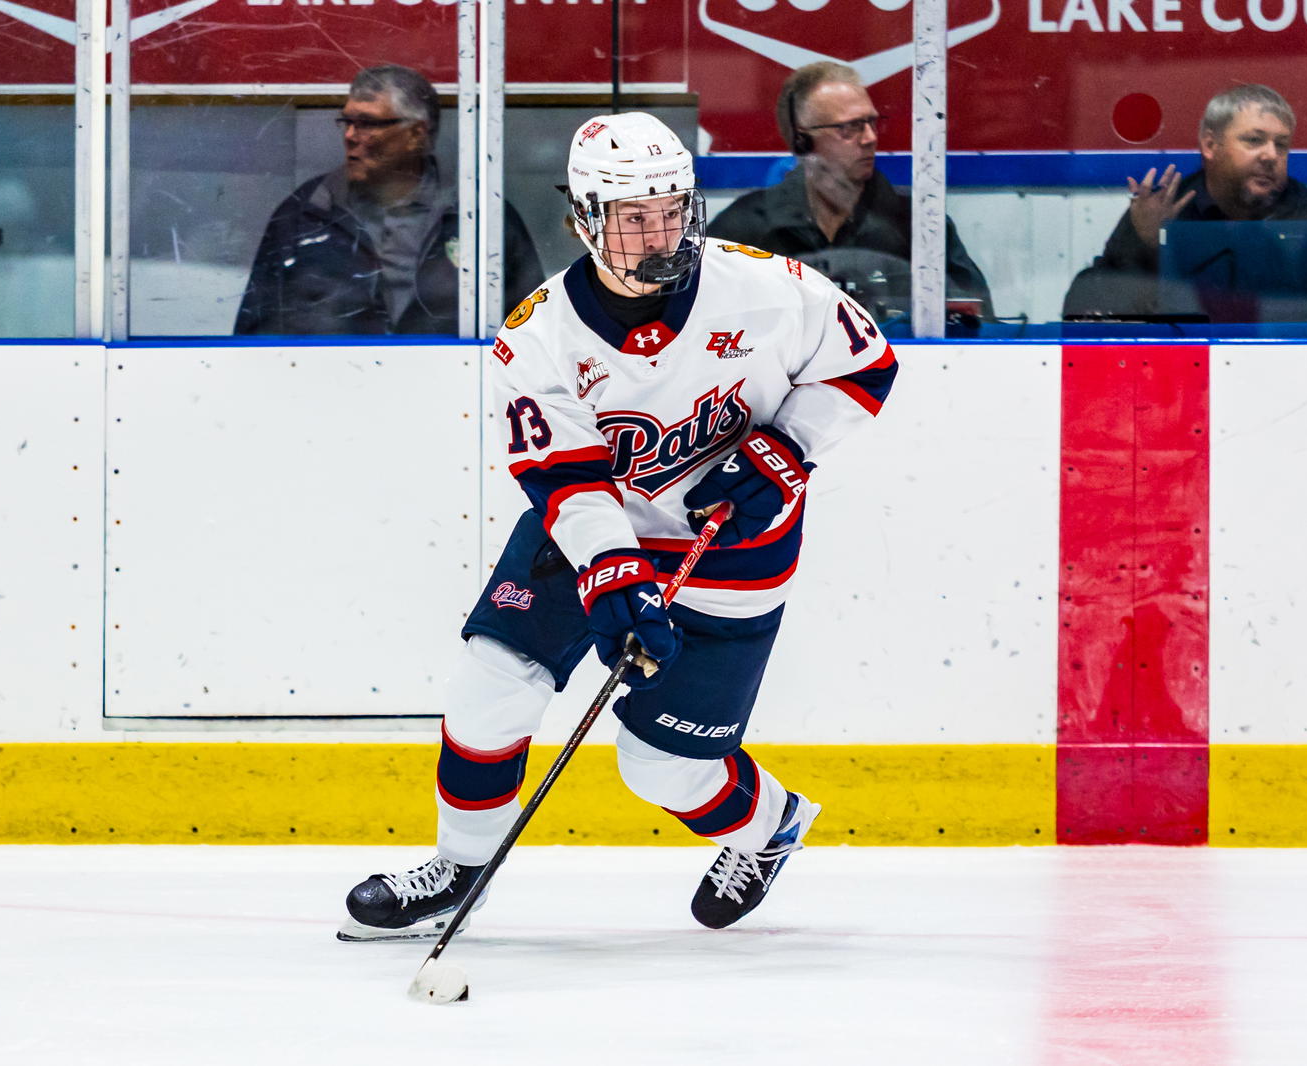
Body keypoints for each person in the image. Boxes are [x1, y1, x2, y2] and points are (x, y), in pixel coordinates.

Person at [338, 112, 897, 939]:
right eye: (634, 217)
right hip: (589, 534)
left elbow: (865, 364)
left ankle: (770, 825)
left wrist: (784, 452)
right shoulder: (538, 337)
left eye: (672, 209)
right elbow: (567, 479)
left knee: (664, 769)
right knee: (491, 683)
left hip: (736, 551)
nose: (659, 232)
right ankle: (461, 868)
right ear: (585, 221)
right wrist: (612, 573)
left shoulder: (771, 289)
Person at [235, 65, 543, 335]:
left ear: (416, 135)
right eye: (347, 121)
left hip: (453, 394)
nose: (351, 135)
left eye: (367, 123)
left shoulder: (478, 217)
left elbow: (534, 329)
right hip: (326, 391)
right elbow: (252, 335)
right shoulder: (304, 213)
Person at [708, 61, 994, 328]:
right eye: (850, 128)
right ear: (802, 139)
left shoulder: (920, 225)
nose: (870, 138)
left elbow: (979, 325)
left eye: (871, 122)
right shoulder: (742, 228)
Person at [1063, 84, 1307, 322]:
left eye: (1281, 145)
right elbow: (1091, 311)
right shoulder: (1164, 209)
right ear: (1210, 145)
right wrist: (1150, 246)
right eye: (1254, 140)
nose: (1271, 155)